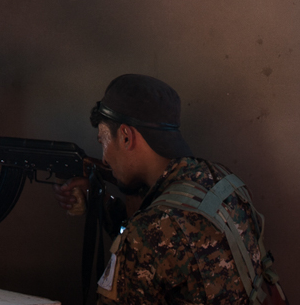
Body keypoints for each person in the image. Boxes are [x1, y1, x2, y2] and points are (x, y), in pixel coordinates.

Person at [55, 74, 284, 304]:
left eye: (102, 141)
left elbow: (152, 241)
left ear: (126, 137)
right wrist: (100, 202)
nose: (104, 158)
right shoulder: (222, 181)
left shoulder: (148, 232)